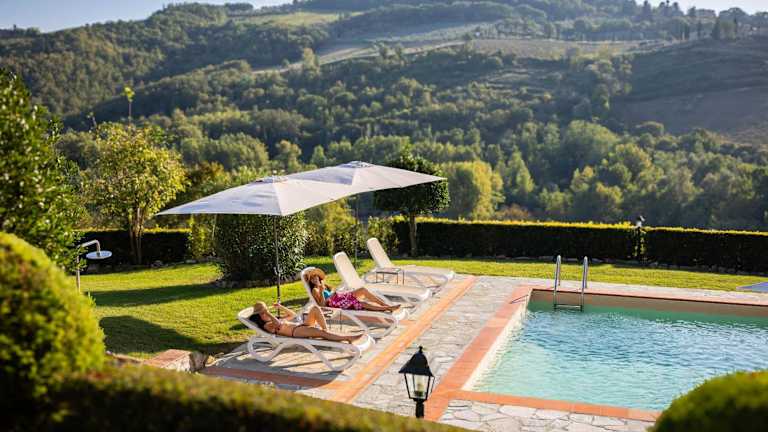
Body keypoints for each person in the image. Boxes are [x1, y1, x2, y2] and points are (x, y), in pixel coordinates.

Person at [249, 301, 363, 343]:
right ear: (259, 317)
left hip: (301, 326)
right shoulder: (267, 325)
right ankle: (347, 338)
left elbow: (293, 315)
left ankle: (327, 332)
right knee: (321, 332)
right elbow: (278, 325)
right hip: (297, 332)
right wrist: (268, 314)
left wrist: (280, 307)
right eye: (263, 313)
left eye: (266, 311)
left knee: (315, 308)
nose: (266, 313)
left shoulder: (273, 319)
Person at [305, 268, 400, 312]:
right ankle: (387, 308)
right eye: (312, 279)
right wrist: (322, 292)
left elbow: (331, 292)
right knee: (361, 303)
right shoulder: (315, 290)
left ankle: (384, 304)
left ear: (318, 277)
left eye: (315, 277)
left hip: (339, 297)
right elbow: (322, 305)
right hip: (335, 303)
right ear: (311, 281)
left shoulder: (323, 285)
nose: (315, 279)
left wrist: (331, 291)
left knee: (362, 290)